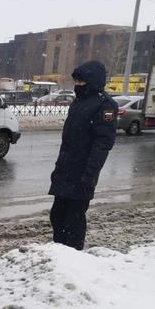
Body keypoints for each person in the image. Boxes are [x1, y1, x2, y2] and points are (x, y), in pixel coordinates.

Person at [49, 61, 117, 250]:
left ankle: (73, 257)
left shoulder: (105, 105)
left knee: (74, 221)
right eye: (76, 82)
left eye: (81, 82)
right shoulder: (78, 103)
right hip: (65, 171)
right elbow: (69, 143)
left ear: (93, 82)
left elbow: (103, 144)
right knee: (57, 216)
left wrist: (89, 175)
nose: (77, 85)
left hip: (82, 174)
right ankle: (58, 254)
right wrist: (58, 169)